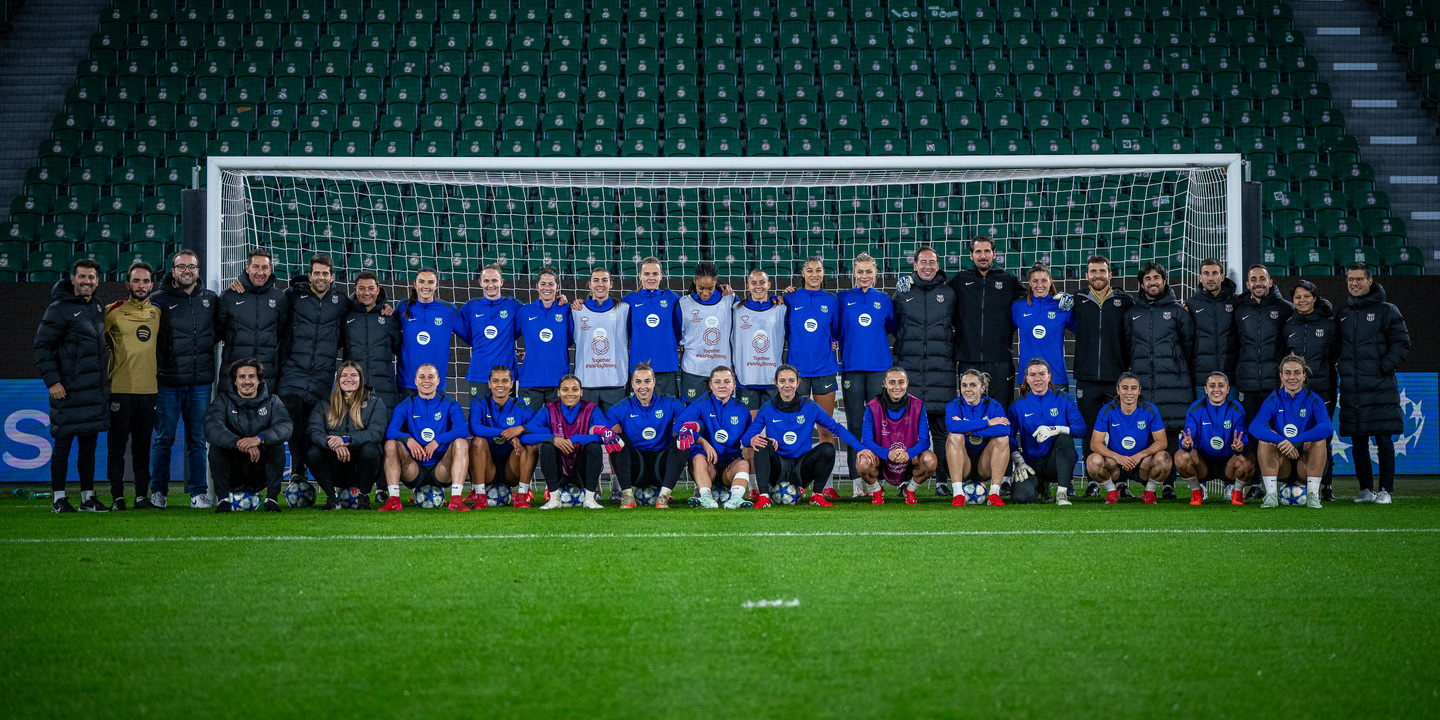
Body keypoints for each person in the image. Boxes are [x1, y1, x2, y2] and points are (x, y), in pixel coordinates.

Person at [34, 258, 110, 513]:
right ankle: (59, 499)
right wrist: (52, 381)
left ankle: (88, 498)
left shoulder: (98, 305)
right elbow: (42, 346)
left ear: (97, 281)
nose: (87, 281)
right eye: (82, 277)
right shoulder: (58, 308)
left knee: (89, 446)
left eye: (92, 277)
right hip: (67, 389)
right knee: (63, 445)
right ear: (72, 279)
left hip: (93, 391)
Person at [1336, 262, 1411, 504]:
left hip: (1380, 388)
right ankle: (1365, 489)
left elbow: (1402, 343)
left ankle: (1385, 490)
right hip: (1352, 388)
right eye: (1350, 279)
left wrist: (1382, 368)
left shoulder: (1387, 310)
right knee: (1358, 441)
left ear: (1370, 281)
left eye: (1359, 279)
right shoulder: (1343, 313)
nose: (1354, 283)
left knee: (1383, 440)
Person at [150, 248, 220, 508]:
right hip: (167, 381)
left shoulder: (210, 299)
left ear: (198, 271)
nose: (187, 271)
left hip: (201, 382)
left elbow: (221, 330)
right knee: (163, 439)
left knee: (198, 440)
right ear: (173, 271)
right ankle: (158, 492)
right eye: (182, 267)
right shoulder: (157, 299)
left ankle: (197, 493)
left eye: (191, 266)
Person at [743, 365, 869, 508]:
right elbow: (746, 438)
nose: (787, 385)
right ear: (776, 383)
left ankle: (817, 495)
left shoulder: (810, 407)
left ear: (798, 383)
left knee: (827, 448)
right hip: (776, 468)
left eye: (791, 381)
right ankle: (764, 497)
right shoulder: (767, 408)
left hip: (801, 468)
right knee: (762, 443)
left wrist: (860, 448)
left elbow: (837, 428)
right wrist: (753, 439)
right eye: (782, 381)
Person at [1123, 261, 1194, 499]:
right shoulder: (1132, 313)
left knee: (1171, 432)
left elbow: (1189, 346)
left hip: (1174, 384)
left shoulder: (1178, 312)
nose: (1152, 282)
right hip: (1143, 385)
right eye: (1147, 279)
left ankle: (1169, 484)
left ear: (1164, 281)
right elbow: (1127, 348)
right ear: (1141, 284)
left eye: (1156, 278)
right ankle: (1143, 481)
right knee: (1145, 433)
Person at [892, 245, 959, 495]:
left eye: (932, 262)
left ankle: (942, 480)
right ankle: (904, 482)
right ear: (915, 265)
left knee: (941, 432)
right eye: (923, 262)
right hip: (909, 372)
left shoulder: (949, 294)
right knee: (907, 432)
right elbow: (891, 325)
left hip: (940, 372)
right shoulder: (902, 293)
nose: (927, 266)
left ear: (938, 265)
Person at [277, 254, 347, 488]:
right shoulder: (293, 296)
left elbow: (361, 309)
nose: (320, 277)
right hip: (293, 370)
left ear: (332, 277)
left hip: (322, 374)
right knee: (292, 411)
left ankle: (315, 472)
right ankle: (297, 468)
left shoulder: (341, 301)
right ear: (309, 276)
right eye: (316, 273)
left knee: (312, 424)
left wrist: (384, 301)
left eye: (325, 273)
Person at [1071, 255, 1134, 497]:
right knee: (1089, 431)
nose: (1098, 275)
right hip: (1086, 378)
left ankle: (1121, 483)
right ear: (1086, 275)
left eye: (1102, 271)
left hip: (1115, 378)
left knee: (1119, 431)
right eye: (1093, 271)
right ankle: (1093, 482)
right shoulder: (1077, 300)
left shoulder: (1124, 301)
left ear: (1110, 274)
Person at [836, 253, 897, 495]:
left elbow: (893, 328)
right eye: (860, 271)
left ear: (875, 273)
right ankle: (856, 480)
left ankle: (877, 478)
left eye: (868, 272)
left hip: (879, 369)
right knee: (854, 424)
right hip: (851, 368)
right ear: (853, 273)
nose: (864, 276)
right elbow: (834, 329)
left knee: (878, 424)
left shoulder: (884, 300)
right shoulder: (842, 299)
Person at [782, 255, 842, 494]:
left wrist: (832, 342)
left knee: (825, 429)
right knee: (800, 429)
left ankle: (825, 486)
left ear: (823, 273)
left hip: (825, 370)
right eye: (809, 270)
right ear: (803, 273)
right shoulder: (789, 299)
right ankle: (798, 483)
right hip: (798, 374)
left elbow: (835, 331)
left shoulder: (832, 300)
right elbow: (786, 333)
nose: (814, 274)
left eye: (818, 270)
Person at [103, 261, 161, 510]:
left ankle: (141, 496)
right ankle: (117, 497)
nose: (141, 285)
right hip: (120, 390)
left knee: (142, 447)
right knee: (116, 447)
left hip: (149, 391)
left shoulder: (157, 311)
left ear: (152, 284)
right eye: (136, 281)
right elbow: (100, 343)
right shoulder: (112, 311)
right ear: (128, 284)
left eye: (146, 281)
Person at [520, 374, 624, 510]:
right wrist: (553, 439)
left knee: (594, 447)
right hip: (559, 468)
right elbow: (525, 436)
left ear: (581, 392)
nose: (570, 393)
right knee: (547, 447)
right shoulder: (549, 409)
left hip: (582, 468)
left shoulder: (592, 409)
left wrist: (577, 438)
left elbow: (605, 437)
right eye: (565, 389)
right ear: (558, 392)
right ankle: (554, 498)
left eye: (575, 389)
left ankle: (589, 498)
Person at [380, 363, 471, 511]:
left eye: (431, 377)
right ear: (415, 381)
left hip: (441, 468)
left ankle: (456, 500)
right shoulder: (405, 405)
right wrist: (408, 439)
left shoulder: (450, 404)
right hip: (413, 468)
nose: (426, 381)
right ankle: (394, 500)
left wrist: (438, 440)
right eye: (422, 377)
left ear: (438, 380)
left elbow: (463, 430)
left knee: (461, 443)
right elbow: (391, 431)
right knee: (390, 444)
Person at [1247, 355, 1333, 509]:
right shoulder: (1274, 398)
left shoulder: (1314, 399)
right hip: (1282, 464)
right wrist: (1280, 441)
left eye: (1297, 373)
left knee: (1319, 439)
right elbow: (1255, 426)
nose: (1292, 377)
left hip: (1306, 464)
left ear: (1304, 376)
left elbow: (1326, 428)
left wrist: (1296, 441)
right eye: (1287, 373)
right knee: (1265, 439)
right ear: (1281, 376)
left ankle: (1312, 496)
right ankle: (1271, 496)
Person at [206, 359, 291, 513]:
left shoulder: (272, 401)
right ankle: (223, 500)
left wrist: (259, 439)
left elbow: (285, 426)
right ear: (235, 381)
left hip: (259, 468)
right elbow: (212, 428)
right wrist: (239, 443)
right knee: (216, 447)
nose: (247, 381)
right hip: (234, 469)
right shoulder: (223, 400)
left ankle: (271, 500)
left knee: (277, 444)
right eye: (242, 377)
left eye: (252, 377)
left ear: (259, 380)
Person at [949, 235, 1024, 408]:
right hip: (968, 357)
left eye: (987, 251)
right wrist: (911, 283)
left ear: (994, 254)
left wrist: (1056, 297)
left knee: (1001, 409)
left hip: (1000, 358)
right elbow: (938, 293)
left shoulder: (1009, 281)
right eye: (978, 251)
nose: (982, 256)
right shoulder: (960, 280)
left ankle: (1002, 436)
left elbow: (1034, 297)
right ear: (971, 255)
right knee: (969, 408)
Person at [306, 361, 388, 510]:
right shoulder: (325, 404)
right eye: (344, 375)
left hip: (361, 468)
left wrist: (345, 440)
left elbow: (376, 433)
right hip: (335, 466)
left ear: (361, 379)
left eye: (353, 375)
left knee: (371, 448)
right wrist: (332, 444)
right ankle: (332, 498)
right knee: (313, 451)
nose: (348, 379)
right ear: (338, 380)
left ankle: (363, 497)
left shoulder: (375, 403)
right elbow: (313, 431)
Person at [1284, 280, 1338, 500]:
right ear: (1293, 300)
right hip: (1294, 393)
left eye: (1306, 296)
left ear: (1315, 298)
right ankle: (1294, 482)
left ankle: (1326, 485)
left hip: (1323, 389)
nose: (1302, 300)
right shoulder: (1288, 326)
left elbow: (1335, 353)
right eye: (1297, 297)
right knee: (1292, 433)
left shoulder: (1330, 324)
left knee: (1323, 437)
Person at [854, 367, 938, 505]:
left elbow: (924, 441)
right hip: (882, 459)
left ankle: (909, 490)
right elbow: (867, 441)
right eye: (892, 382)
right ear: (885, 384)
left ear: (907, 383)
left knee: (930, 460)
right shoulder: (872, 406)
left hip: (909, 458)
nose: (897, 387)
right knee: (862, 462)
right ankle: (876, 490)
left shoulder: (918, 405)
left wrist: (909, 454)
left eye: (901, 382)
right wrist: (887, 453)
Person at [1007, 359, 1087, 505]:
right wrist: (1018, 461)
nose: (1037, 378)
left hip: (1056, 462)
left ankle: (1062, 493)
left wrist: (1056, 429)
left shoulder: (1063, 399)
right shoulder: (1018, 405)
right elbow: (1009, 437)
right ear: (1026, 378)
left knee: (1064, 438)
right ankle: (1042, 487)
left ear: (1049, 376)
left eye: (1042, 374)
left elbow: (1081, 429)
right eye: (1032, 375)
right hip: (1031, 464)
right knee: (1021, 498)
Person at [608, 362, 688, 508]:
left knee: (682, 438)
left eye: (647, 381)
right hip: (636, 468)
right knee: (616, 438)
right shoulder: (622, 407)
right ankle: (627, 496)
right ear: (632, 384)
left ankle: (663, 496)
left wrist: (688, 431)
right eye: (638, 382)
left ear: (654, 382)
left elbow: (690, 419)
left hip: (661, 467)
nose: (642, 387)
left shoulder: (668, 402)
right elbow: (603, 426)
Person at [1085, 373, 1172, 505]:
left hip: (1142, 463)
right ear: (1118, 390)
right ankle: (1112, 491)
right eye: (1125, 388)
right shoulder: (1108, 410)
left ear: (1139, 391)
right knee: (1092, 461)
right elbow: (1095, 444)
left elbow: (1162, 442)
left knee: (1164, 459)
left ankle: (1149, 492)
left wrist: (1140, 455)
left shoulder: (1149, 409)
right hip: (1115, 465)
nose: (1129, 392)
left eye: (1133, 388)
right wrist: (1117, 457)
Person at [676, 366, 754, 509]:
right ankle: (705, 498)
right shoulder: (701, 404)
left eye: (726, 381)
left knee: (744, 464)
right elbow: (679, 426)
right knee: (697, 458)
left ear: (734, 385)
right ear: (711, 385)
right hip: (707, 463)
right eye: (717, 382)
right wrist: (702, 441)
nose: (722, 386)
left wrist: (756, 438)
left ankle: (736, 499)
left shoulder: (742, 409)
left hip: (729, 465)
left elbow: (749, 436)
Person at [1175, 372, 1254, 506]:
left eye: (1221, 385)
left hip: (1229, 464)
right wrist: (1186, 444)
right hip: (1203, 464)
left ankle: (1237, 491)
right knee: (1180, 457)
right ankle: (1196, 491)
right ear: (1205, 389)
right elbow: (1189, 436)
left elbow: (1243, 438)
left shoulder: (1236, 409)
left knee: (1249, 460)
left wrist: (1241, 446)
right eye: (1212, 386)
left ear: (1228, 389)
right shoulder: (1196, 408)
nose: (1216, 389)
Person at [216, 247, 289, 392]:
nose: (260, 273)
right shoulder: (229, 296)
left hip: (267, 377)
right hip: (233, 377)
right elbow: (219, 331)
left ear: (270, 270)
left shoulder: (279, 298)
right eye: (255, 267)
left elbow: (280, 332)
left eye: (265, 268)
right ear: (247, 268)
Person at [466, 365, 537, 508]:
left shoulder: (520, 405)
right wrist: (507, 434)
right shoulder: (479, 403)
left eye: (505, 381)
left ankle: (522, 497)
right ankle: (480, 497)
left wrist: (520, 429)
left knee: (531, 445)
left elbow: (538, 428)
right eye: (496, 381)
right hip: (487, 468)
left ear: (511, 384)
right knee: (477, 441)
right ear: (489, 384)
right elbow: (474, 428)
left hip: (512, 469)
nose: (500, 385)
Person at [1234, 264, 1294, 423]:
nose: (1258, 283)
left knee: (1277, 434)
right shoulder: (1239, 310)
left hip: (1275, 385)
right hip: (1247, 384)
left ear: (1270, 282)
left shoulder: (1286, 309)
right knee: (1250, 434)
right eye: (1253, 279)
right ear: (1247, 284)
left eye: (1262, 279)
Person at [943, 369, 1010, 507]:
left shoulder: (993, 405)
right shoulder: (954, 405)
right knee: (955, 436)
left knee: (1002, 439)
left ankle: (994, 494)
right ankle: (958, 495)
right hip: (962, 465)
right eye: (964, 385)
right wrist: (988, 423)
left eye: (973, 385)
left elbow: (1005, 429)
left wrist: (970, 430)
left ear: (982, 388)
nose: (968, 389)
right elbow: (953, 427)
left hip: (984, 465)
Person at [394, 268, 464, 399]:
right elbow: (389, 334)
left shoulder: (448, 311)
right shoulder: (402, 307)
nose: (426, 286)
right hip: (406, 383)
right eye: (421, 281)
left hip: (435, 385)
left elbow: (472, 337)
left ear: (436, 285)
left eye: (430, 282)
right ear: (415, 284)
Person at [460, 265, 523, 401]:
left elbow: (532, 325)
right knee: (477, 418)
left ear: (501, 282)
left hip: (506, 375)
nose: (490, 285)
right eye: (486, 281)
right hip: (479, 373)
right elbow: (462, 331)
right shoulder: (470, 308)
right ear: (481, 283)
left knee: (506, 419)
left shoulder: (514, 306)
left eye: (494, 280)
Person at [621, 257, 683, 397]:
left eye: (655, 274)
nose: (651, 277)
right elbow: (626, 332)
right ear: (640, 276)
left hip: (666, 365)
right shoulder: (628, 301)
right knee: (638, 414)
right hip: (639, 367)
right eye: (646, 274)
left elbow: (678, 329)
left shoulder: (672, 299)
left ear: (661, 276)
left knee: (668, 413)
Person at [572, 266, 630, 410]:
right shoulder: (576, 311)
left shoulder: (624, 310)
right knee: (588, 429)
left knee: (616, 429)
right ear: (590, 284)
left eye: (605, 280)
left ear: (611, 284)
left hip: (615, 382)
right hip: (586, 384)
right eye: (596, 280)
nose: (600, 284)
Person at [1011, 262, 1074, 391]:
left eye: (1044, 280)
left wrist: (1077, 307)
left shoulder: (1062, 307)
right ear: (1029, 282)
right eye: (1035, 281)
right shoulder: (1018, 307)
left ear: (1051, 281)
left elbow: (1080, 330)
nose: (1040, 285)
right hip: (1027, 377)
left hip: (1056, 376)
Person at [516, 266, 573, 410]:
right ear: (536, 286)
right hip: (530, 381)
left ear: (558, 287)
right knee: (527, 426)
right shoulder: (524, 312)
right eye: (543, 284)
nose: (547, 288)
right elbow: (508, 336)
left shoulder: (567, 310)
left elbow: (570, 340)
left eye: (551, 284)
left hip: (558, 381)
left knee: (557, 428)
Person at [342, 270, 400, 409]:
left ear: (378, 290)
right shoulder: (345, 314)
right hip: (354, 389)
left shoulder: (389, 317)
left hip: (385, 389)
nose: (366, 293)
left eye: (371, 288)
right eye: (361, 288)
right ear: (355, 290)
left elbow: (399, 348)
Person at [677, 261, 734, 403]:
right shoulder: (683, 304)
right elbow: (677, 333)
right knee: (692, 416)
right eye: (701, 288)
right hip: (693, 370)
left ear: (716, 282)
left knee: (721, 415)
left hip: (720, 370)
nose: (705, 293)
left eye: (710, 288)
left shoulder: (729, 299)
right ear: (694, 280)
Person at [732, 269, 787, 415]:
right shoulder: (736, 310)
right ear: (748, 286)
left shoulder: (781, 309)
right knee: (750, 430)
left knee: (773, 428)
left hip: (772, 379)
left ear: (769, 284)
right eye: (753, 283)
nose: (758, 286)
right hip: (746, 379)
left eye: (762, 282)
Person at [1187, 259, 1240, 399]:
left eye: (1215, 273)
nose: (1210, 278)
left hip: (1230, 379)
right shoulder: (1190, 305)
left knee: (1231, 420)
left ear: (1222, 277)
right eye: (1206, 273)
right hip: (1202, 380)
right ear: (1200, 277)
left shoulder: (1237, 302)